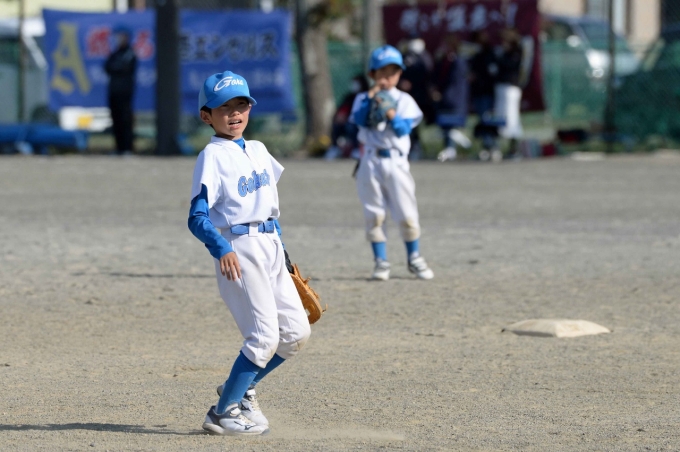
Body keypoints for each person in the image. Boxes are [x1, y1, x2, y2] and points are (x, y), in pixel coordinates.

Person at [188, 70, 311, 436]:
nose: (234, 113)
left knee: (296, 334)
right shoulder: (212, 156)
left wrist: (282, 251)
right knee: (263, 338)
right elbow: (196, 217)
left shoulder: (257, 149)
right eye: (224, 107)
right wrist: (221, 247)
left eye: (241, 105)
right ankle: (222, 413)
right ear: (206, 116)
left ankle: (240, 388)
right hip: (239, 250)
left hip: (270, 246)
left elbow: (269, 207)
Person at [350, 45, 434, 281]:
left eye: (393, 72)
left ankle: (414, 257)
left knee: (406, 212)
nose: (388, 77)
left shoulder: (404, 99)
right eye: (382, 72)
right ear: (372, 74)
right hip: (370, 161)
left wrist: (390, 111)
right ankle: (381, 261)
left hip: (396, 162)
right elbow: (359, 120)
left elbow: (402, 129)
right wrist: (372, 99)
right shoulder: (362, 98)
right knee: (374, 213)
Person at [432, 34, 470, 162]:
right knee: (445, 126)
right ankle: (449, 149)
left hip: (454, 99)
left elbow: (454, 82)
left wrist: (443, 94)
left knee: (452, 125)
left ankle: (456, 146)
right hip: (445, 100)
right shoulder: (443, 61)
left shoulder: (459, 62)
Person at [398, 37, 435, 160]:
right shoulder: (405, 57)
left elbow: (427, 76)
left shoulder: (425, 58)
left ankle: (416, 146)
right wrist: (401, 82)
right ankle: (410, 146)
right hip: (407, 96)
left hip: (420, 98)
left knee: (415, 123)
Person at [468, 31, 501, 161]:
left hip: (487, 92)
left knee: (489, 120)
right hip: (478, 93)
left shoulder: (489, 54)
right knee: (482, 120)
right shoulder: (476, 55)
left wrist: (479, 77)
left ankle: (493, 146)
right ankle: (486, 147)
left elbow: (491, 74)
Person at [104, 26, 137, 155]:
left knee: (125, 120)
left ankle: (127, 148)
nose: (118, 39)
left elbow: (123, 67)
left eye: (121, 36)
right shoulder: (115, 53)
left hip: (125, 92)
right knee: (115, 119)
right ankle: (119, 148)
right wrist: (115, 67)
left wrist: (116, 68)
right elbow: (107, 67)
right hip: (114, 91)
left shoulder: (130, 53)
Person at [495, 28, 524, 155]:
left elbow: (511, 67)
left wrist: (501, 58)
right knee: (501, 117)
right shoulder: (504, 53)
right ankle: (501, 147)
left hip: (511, 87)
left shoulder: (516, 53)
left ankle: (514, 147)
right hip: (502, 87)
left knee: (511, 117)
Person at [325, 74, 368, 159]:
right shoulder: (349, 97)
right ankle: (335, 148)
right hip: (347, 121)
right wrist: (340, 116)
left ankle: (356, 149)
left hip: (359, 122)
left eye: (357, 82)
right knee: (337, 125)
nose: (354, 85)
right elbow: (342, 109)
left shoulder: (366, 95)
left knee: (351, 126)